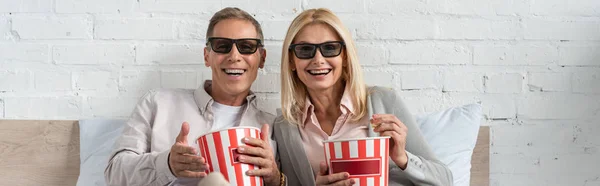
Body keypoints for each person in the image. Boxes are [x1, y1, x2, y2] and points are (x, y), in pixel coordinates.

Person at [273, 8, 453, 186]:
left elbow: (445, 180)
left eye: (330, 48)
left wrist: (402, 157)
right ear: (291, 61)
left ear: (344, 56)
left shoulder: (383, 101)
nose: (318, 59)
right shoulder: (285, 126)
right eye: (305, 49)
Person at [105, 7, 284, 186]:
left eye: (246, 47)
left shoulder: (275, 127)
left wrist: (275, 178)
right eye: (222, 46)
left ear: (262, 59)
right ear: (207, 56)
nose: (234, 56)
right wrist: (166, 164)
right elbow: (114, 174)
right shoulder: (157, 103)